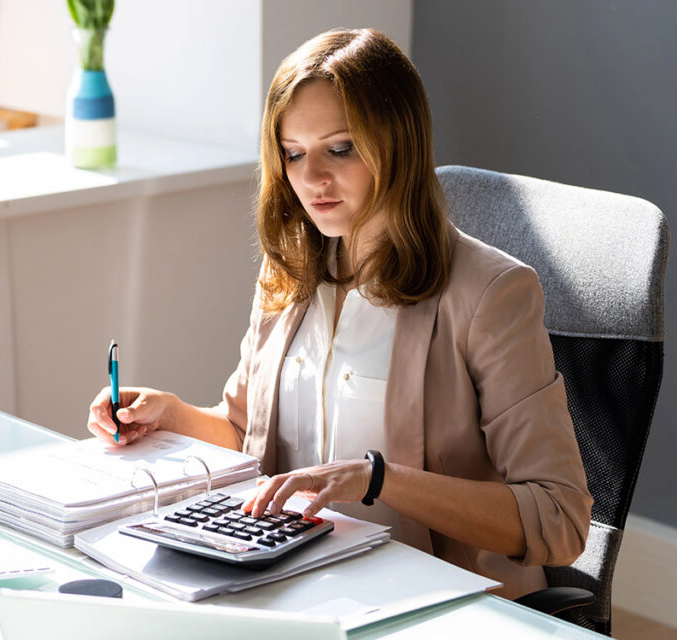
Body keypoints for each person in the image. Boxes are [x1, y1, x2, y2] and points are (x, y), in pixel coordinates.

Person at [86, 28, 591, 599]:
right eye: (294, 153)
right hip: (300, 583)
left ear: (396, 143)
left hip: (434, 604)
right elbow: (249, 435)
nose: (311, 179)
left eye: (341, 148)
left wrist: (378, 479)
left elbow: (560, 517)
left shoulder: (489, 293)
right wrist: (172, 414)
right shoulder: (290, 272)